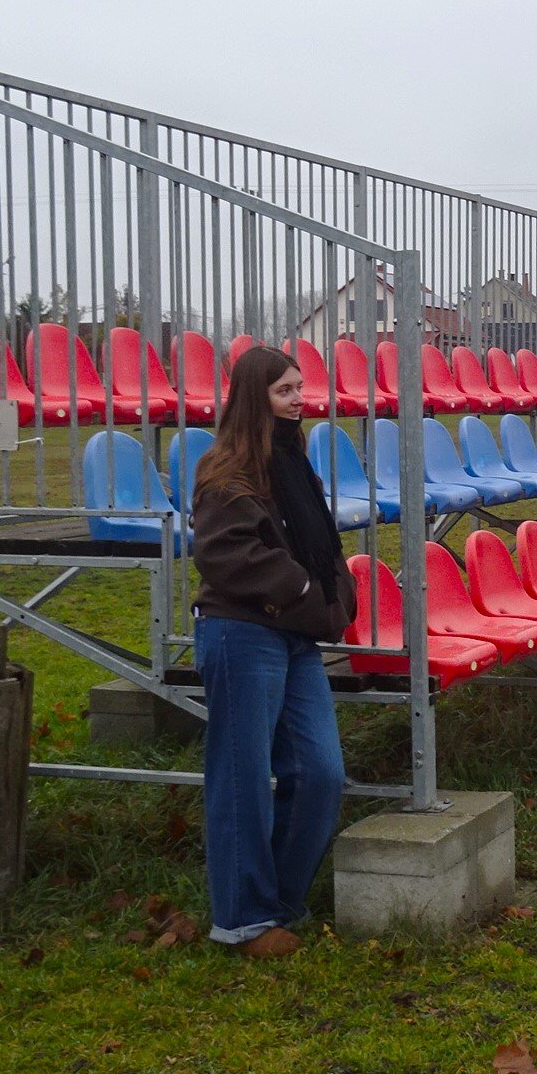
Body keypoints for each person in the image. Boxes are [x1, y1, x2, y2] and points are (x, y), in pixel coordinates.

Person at [191, 344, 356, 957]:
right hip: (241, 634)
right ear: (253, 399)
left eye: (300, 388)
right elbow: (228, 555)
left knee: (320, 772)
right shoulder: (224, 472)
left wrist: (337, 593)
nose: (298, 400)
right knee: (241, 779)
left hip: (297, 636)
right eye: (284, 391)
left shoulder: (295, 463)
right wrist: (306, 590)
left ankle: (280, 903)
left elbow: (322, 541)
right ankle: (243, 920)